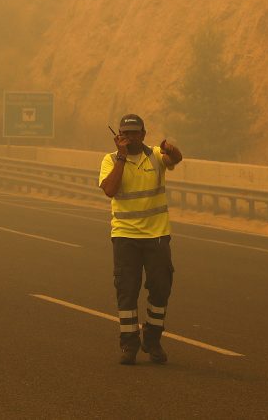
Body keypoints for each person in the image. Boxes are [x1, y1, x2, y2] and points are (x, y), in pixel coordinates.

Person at [99, 114, 183, 365]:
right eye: (126, 133)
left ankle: (153, 339)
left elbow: (174, 160)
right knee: (127, 291)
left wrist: (173, 150)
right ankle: (129, 344)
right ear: (119, 136)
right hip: (125, 236)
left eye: (135, 133)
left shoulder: (155, 155)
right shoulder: (111, 160)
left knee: (160, 287)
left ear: (144, 134)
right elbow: (110, 190)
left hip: (156, 235)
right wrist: (122, 157)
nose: (131, 137)